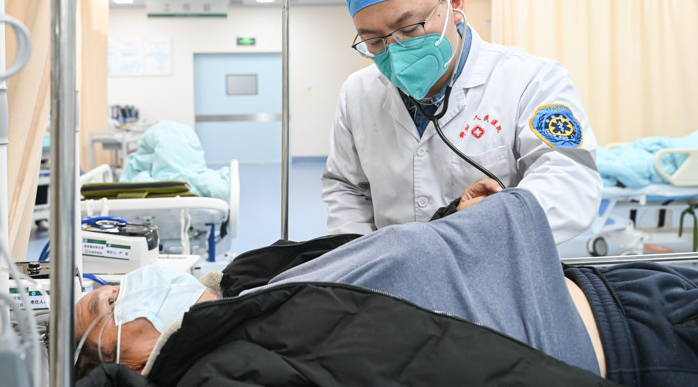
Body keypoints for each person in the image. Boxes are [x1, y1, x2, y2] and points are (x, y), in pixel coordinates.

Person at [74, 189, 698, 386]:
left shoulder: (243, 288)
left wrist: (450, 218)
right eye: (107, 302)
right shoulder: (229, 364)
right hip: (634, 344)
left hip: (608, 286)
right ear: (128, 358)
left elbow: (366, 265)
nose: (126, 287)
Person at [325, 0, 602, 243]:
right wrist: (362, 259)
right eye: (375, 41)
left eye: (410, 28)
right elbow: (346, 188)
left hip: (498, 264)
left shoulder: (532, 80)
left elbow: (569, 184)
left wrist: (480, 227)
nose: (396, 52)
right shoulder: (357, 93)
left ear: (455, 3)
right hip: (389, 269)